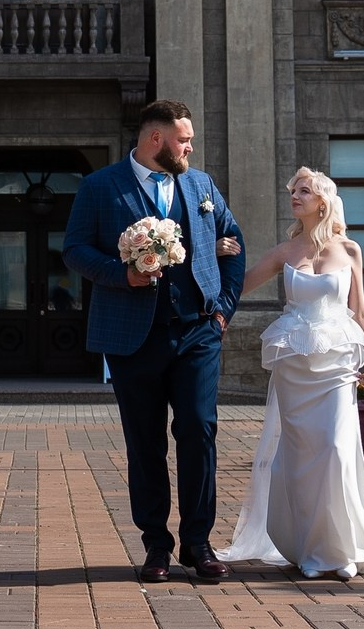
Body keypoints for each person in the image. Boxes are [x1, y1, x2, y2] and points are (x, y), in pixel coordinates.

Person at [63, 99, 245, 583]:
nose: (190, 146)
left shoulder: (201, 184)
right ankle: (156, 547)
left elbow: (233, 241)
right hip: (131, 337)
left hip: (197, 332)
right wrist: (122, 275)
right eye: (184, 139)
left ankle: (199, 543)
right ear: (155, 140)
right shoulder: (100, 187)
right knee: (145, 443)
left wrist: (223, 310)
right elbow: (75, 249)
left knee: (199, 431)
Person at [219, 166, 364, 580]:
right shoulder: (283, 252)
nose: (294, 196)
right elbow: (237, 288)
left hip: (335, 364)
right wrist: (217, 255)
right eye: (293, 190)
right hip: (294, 363)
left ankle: (339, 549)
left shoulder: (349, 251)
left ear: (323, 201)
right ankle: (309, 549)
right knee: (297, 458)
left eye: (303, 190)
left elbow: (359, 310)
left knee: (334, 448)